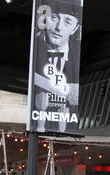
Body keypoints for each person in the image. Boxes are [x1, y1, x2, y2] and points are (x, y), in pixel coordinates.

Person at [33, 0, 82, 133]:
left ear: (75, 29)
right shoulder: (34, 51)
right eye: (54, 18)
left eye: (68, 22)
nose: (59, 27)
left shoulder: (77, 56)